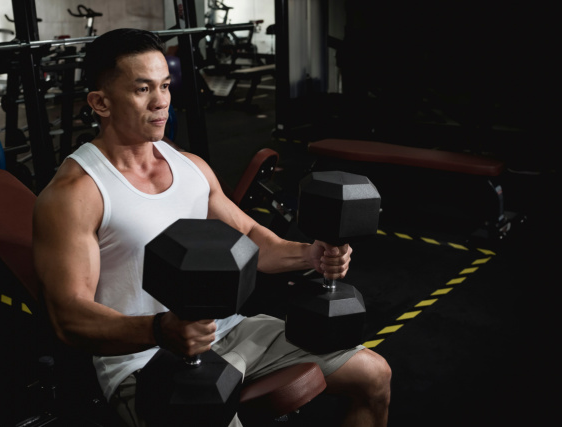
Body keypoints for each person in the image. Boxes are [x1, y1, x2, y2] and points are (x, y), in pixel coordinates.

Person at [32, 28, 391, 427]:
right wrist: (160, 330)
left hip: (230, 333)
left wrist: (312, 254)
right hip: (144, 362)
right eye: (142, 89)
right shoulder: (76, 193)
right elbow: (68, 317)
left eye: (165, 85)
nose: (162, 101)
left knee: (374, 375)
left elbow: (254, 240)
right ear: (100, 102)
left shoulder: (190, 166)